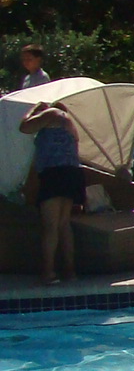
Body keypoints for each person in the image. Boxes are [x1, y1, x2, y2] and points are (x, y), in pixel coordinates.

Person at [19, 100, 82, 284]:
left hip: (55, 174)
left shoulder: (52, 114)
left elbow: (24, 127)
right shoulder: (70, 125)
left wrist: (33, 109)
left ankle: (48, 272)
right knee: (64, 225)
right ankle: (70, 272)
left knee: (50, 226)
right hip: (71, 174)